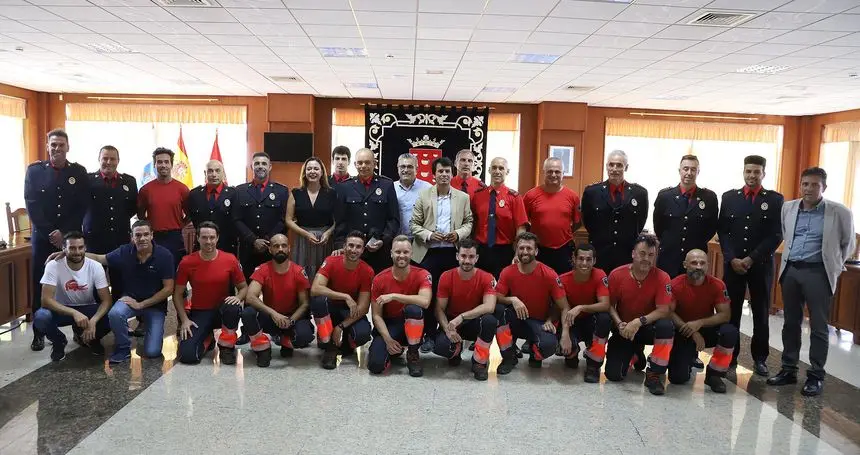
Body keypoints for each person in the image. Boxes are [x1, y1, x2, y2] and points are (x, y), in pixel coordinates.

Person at [768, 167, 855, 397]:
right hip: (792, 271)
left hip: (818, 273)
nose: (808, 189)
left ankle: (816, 376)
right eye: (805, 184)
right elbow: (787, 234)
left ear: (823, 187)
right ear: (800, 185)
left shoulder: (839, 212)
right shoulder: (789, 207)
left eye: (814, 185)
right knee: (790, 323)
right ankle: (789, 369)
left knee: (818, 327)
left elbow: (848, 244)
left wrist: (834, 265)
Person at [57, 220, 175, 364]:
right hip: (130, 300)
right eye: (138, 235)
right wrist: (67, 253)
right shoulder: (124, 251)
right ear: (132, 237)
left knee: (152, 352)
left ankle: (151, 332)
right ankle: (123, 348)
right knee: (115, 313)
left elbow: (168, 289)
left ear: (152, 235)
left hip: (154, 306)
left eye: (145, 234)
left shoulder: (165, 256)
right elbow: (100, 258)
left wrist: (142, 304)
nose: (142, 238)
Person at [717, 155, 783, 376]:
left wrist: (751, 258)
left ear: (763, 173)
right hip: (733, 265)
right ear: (743, 172)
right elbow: (723, 231)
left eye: (756, 172)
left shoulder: (774, 200)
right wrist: (732, 257)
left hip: (760, 265)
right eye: (748, 171)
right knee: (731, 311)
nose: (752, 175)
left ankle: (760, 359)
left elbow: (776, 235)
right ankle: (729, 356)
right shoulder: (729, 198)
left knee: (761, 313)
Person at [24, 128, 89, 351]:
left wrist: (64, 233)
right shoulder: (35, 171)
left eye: (61, 145)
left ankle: (79, 330)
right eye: (53, 145)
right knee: (39, 282)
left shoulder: (79, 172)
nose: (57, 149)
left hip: (71, 240)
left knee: (76, 282)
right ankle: (39, 333)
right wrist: (50, 232)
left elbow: (82, 206)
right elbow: (32, 204)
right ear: (47, 146)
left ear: (68, 147)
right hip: (43, 239)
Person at [409, 156, 473, 353]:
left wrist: (458, 234)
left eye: (447, 171)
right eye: (440, 172)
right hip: (428, 253)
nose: (444, 175)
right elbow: (413, 224)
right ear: (434, 175)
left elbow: (469, 222)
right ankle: (428, 334)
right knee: (429, 295)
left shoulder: (463, 197)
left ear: (452, 174)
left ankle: (450, 332)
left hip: (453, 253)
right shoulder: (423, 195)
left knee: (449, 296)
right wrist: (429, 234)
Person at [604, 234, 674, 396]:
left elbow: (664, 310)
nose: (646, 259)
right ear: (633, 254)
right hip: (624, 329)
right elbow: (609, 305)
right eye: (642, 254)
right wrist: (620, 323)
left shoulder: (663, 277)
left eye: (651, 255)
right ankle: (635, 353)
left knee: (666, 326)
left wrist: (639, 321)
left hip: (648, 328)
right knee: (613, 375)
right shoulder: (616, 275)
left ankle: (654, 373)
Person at [234, 234, 314, 367]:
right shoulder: (262, 269)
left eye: (283, 246)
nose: (280, 249)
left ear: (289, 248)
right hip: (270, 316)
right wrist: (274, 314)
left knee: (304, 337)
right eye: (276, 246)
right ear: (270, 249)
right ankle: (262, 348)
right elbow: (250, 297)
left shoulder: (299, 271)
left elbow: (304, 303)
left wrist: (291, 320)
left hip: (292, 317)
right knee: (248, 313)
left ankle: (284, 340)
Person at [495, 232, 571, 372]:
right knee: (499, 311)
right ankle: (508, 357)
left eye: (529, 248)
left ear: (536, 251)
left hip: (539, 322)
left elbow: (564, 306)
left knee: (548, 345)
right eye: (521, 248)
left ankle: (534, 352)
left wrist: (563, 331)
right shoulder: (507, 272)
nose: (525, 252)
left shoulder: (549, 274)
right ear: (516, 250)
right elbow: (496, 297)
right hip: (515, 320)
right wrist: (512, 299)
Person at [174, 221, 248, 365]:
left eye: (212, 237)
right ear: (198, 238)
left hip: (223, 311)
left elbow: (244, 287)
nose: (209, 241)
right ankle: (208, 339)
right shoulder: (187, 262)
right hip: (200, 312)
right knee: (188, 356)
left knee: (232, 307)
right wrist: (184, 320)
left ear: (218, 238)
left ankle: (227, 347)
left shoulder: (230, 259)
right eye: (204, 237)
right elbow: (177, 294)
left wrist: (238, 297)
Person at [667, 249, 738, 394]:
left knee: (729, 332)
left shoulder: (718, 285)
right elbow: (668, 312)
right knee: (677, 378)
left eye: (702, 263)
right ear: (685, 265)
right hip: (683, 330)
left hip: (706, 328)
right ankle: (686, 359)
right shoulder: (674, 284)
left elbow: (725, 315)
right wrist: (693, 332)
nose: (698, 266)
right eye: (694, 263)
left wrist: (699, 323)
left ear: (708, 265)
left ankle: (715, 374)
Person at [33, 232, 112, 361]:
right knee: (41, 317)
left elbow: (106, 300)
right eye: (72, 248)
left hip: (87, 309)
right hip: (61, 310)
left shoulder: (96, 266)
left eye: (80, 247)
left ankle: (90, 339)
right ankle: (59, 342)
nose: (77, 252)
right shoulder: (53, 265)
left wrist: (93, 321)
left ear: (85, 248)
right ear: (64, 249)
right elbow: (45, 300)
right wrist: (74, 313)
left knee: (112, 315)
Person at [366, 235, 432, 377]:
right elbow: (376, 316)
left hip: (413, 322)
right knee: (375, 366)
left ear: (411, 253)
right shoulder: (379, 279)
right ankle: (394, 350)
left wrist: (394, 296)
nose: (401, 256)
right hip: (389, 326)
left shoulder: (422, 274)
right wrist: (388, 340)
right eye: (397, 252)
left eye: (405, 252)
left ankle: (413, 354)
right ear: (391, 254)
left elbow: (425, 301)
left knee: (413, 309)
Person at [432, 238, 498, 381]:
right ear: (457, 256)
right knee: (440, 347)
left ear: (477, 258)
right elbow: (439, 309)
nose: (467, 260)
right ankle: (456, 350)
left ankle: (480, 362)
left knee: (490, 320)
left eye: (471, 257)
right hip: (452, 323)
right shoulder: (446, 276)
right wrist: (447, 329)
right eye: (463, 256)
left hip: (474, 322)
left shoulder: (487, 278)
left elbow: (490, 306)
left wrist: (461, 317)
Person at [310, 231, 374, 370]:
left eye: (358, 247)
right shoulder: (331, 261)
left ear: (363, 250)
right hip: (330, 307)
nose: (353, 250)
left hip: (350, 312)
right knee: (319, 301)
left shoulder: (367, 271)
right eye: (350, 245)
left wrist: (340, 327)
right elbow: (315, 288)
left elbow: (363, 308)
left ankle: (345, 341)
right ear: (344, 247)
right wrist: (345, 296)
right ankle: (330, 346)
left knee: (363, 334)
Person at [83, 145, 138, 302]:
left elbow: (132, 208)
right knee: (95, 284)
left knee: (120, 282)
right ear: (99, 160)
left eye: (112, 158)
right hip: (95, 242)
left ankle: (116, 319)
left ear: (118, 161)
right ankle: (98, 321)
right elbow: (78, 206)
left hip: (119, 241)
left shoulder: (129, 181)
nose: (108, 162)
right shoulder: (87, 180)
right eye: (105, 158)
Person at [333, 148, 400, 273]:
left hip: (379, 248)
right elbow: (340, 220)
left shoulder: (386, 184)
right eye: (360, 163)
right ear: (355, 165)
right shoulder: (344, 187)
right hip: (353, 250)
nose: (363, 166)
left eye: (367, 162)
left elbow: (393, 218)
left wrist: (384, 240)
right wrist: (339, 245)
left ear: (374, 164)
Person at [581, 150, 648, 274]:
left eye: (619, 165)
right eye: (611, 165)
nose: (614, 169)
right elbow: (587, 221)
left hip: (626, 254)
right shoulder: (592, 192)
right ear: (606, 166)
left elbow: (640, 222)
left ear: (626, 167)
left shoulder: (639, 193)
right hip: (599, 253)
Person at [653, 155, 718, 278]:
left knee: (694, 295)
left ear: (698, 172)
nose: (689, 173)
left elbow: (711, 228)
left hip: (696, 260)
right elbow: (659, 227)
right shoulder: (665, 196)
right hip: (669, 259)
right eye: (686, 168)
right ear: (679, 170)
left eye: (693, 169)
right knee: (667, 294)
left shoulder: (709, 198)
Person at [557, 243, 612, 383]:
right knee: (570, 360)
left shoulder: (600, 275)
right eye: (581, 258)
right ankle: (572, 353)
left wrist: (581, 307)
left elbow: (605, 305)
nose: (584, 263)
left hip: (590, 321)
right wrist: (565, 335)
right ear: (573, 259)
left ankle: (593, 365)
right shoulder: (562, 279)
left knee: (605, 319)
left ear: (594, 261)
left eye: (588, 259)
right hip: (570, 321)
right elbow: (563, 309)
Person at [234, 151, 290, 282]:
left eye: (264, 163)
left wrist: (267, 240)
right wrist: (253, 240)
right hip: (248, 248)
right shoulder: (240, 190)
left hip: (273, 247)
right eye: (257, 163)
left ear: (270, 167)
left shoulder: (281, 191)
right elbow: (236, 219)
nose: (260, 166)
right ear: (251, 166)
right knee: (248, 284)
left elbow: (284, 219)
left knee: (273, 284)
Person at [471, 157, 529, 278]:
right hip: (481, 249)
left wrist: (518, 251)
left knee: (502, 288)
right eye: (494, 168)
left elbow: (521, 227)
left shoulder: (514, 197)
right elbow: (472, 222)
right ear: (489, 170)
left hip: (505, 251)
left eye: (501, 168)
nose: (497, 171)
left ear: (507, 172)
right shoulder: (478, 195)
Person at [524, 156, 582, 275]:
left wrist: (562, 232)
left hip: (564, 249)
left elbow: (577, 222)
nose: (553, 174)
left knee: (563, 283)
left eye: (557, 171)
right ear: (544, 172)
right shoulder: (530, 195)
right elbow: (523, 222)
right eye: (550, 171)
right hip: (538, 249)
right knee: (539, 283)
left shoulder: (573, 197)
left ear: (563, 174)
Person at [137, 147, 190, 273]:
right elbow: (140, 215)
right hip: (153, 238)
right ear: (154, 164)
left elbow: (190, 214)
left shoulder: (182, 189)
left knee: (176, 272)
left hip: (175, 237)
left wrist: (179, 224)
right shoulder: (145, 190)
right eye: (159, 162)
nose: (163, 165)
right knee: (153, 273)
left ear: (171, 164)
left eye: (166, 162)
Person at [285, 157, 336, 279]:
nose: (312, 171)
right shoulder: (296, 192)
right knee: (302, 275)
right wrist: (306, 234)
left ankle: (321, 298)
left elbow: (337, 221)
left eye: (316, 168)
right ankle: (303, 298)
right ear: (304, 172)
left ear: (322, 172)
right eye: (309, 169)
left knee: (323, 275)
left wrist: (328, 233)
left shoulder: (331, 193)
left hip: (324, 241)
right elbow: (288, 220)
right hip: (303, 240)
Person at [186, 160, 239, 255]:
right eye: (210, 171)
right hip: (202, 246)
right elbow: (193, 219)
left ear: (223, 173)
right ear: (205, 173)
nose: (214, 174)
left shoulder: (233, 194)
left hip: (226, 247)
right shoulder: (195, 194)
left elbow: (236, 220)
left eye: (217, 171)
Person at [394, 153, 432, 239]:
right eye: (402, 167)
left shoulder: (428, 188)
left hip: (420, 240)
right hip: (396, 240)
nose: (406, 170)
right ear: (398, 168)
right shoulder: (391, 188)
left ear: (417, 169)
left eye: (410, 166)